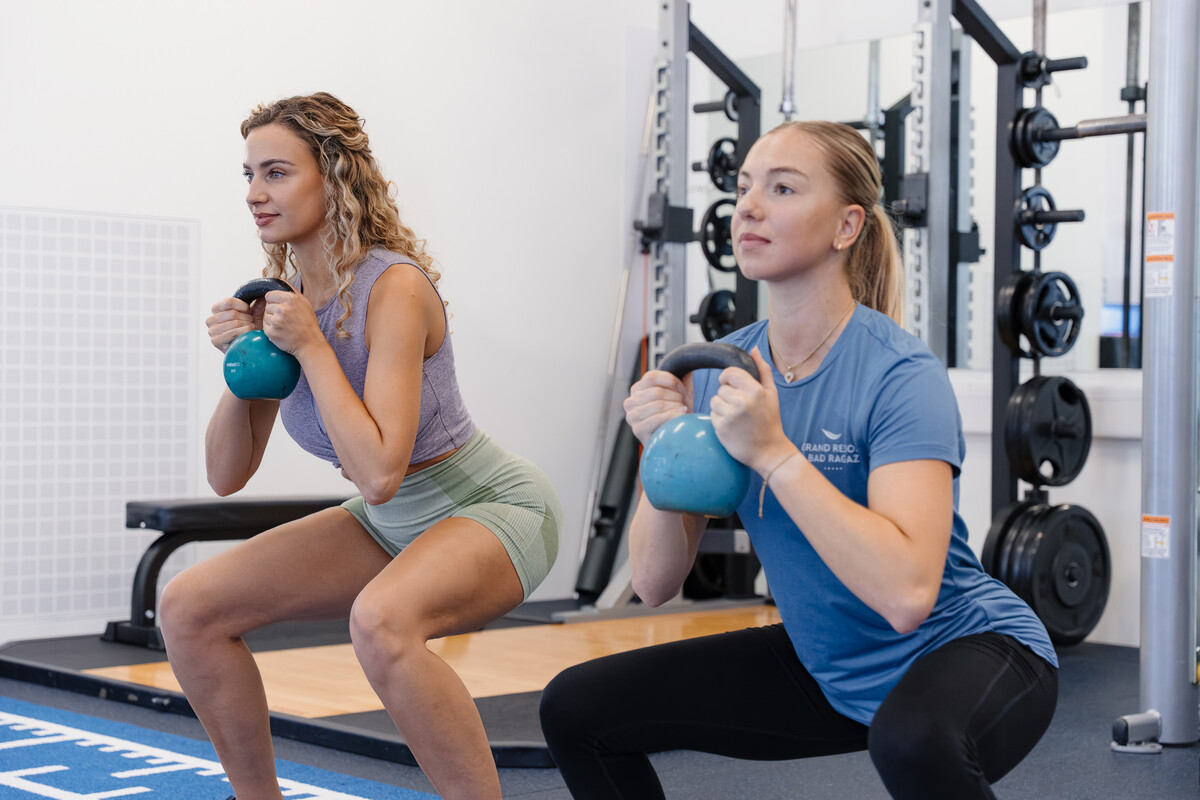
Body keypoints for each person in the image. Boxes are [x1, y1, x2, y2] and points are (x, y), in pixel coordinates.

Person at [538, 121, 1058, 800]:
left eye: (782, 188)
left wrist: (775, 452)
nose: (748, 205)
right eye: (744, 186)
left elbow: (906, 597)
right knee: (577, 707)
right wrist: (661, 446)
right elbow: (657, 578)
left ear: (846, 227)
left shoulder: (900, 374)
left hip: (968, 649)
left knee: (912, 738)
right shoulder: (722, 373)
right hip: (829, 666)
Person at [159, 92, 561, 800]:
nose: (255, 193)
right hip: (392, 522)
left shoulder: (394, 288)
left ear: (334, 174)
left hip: (491, 506)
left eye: (276, 172)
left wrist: (311, 345)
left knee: (381, 622)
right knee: (190, 606)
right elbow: (226, 475)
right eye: (248, 175)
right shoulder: (281, 301)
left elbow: (377, 472)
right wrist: (243, 363)